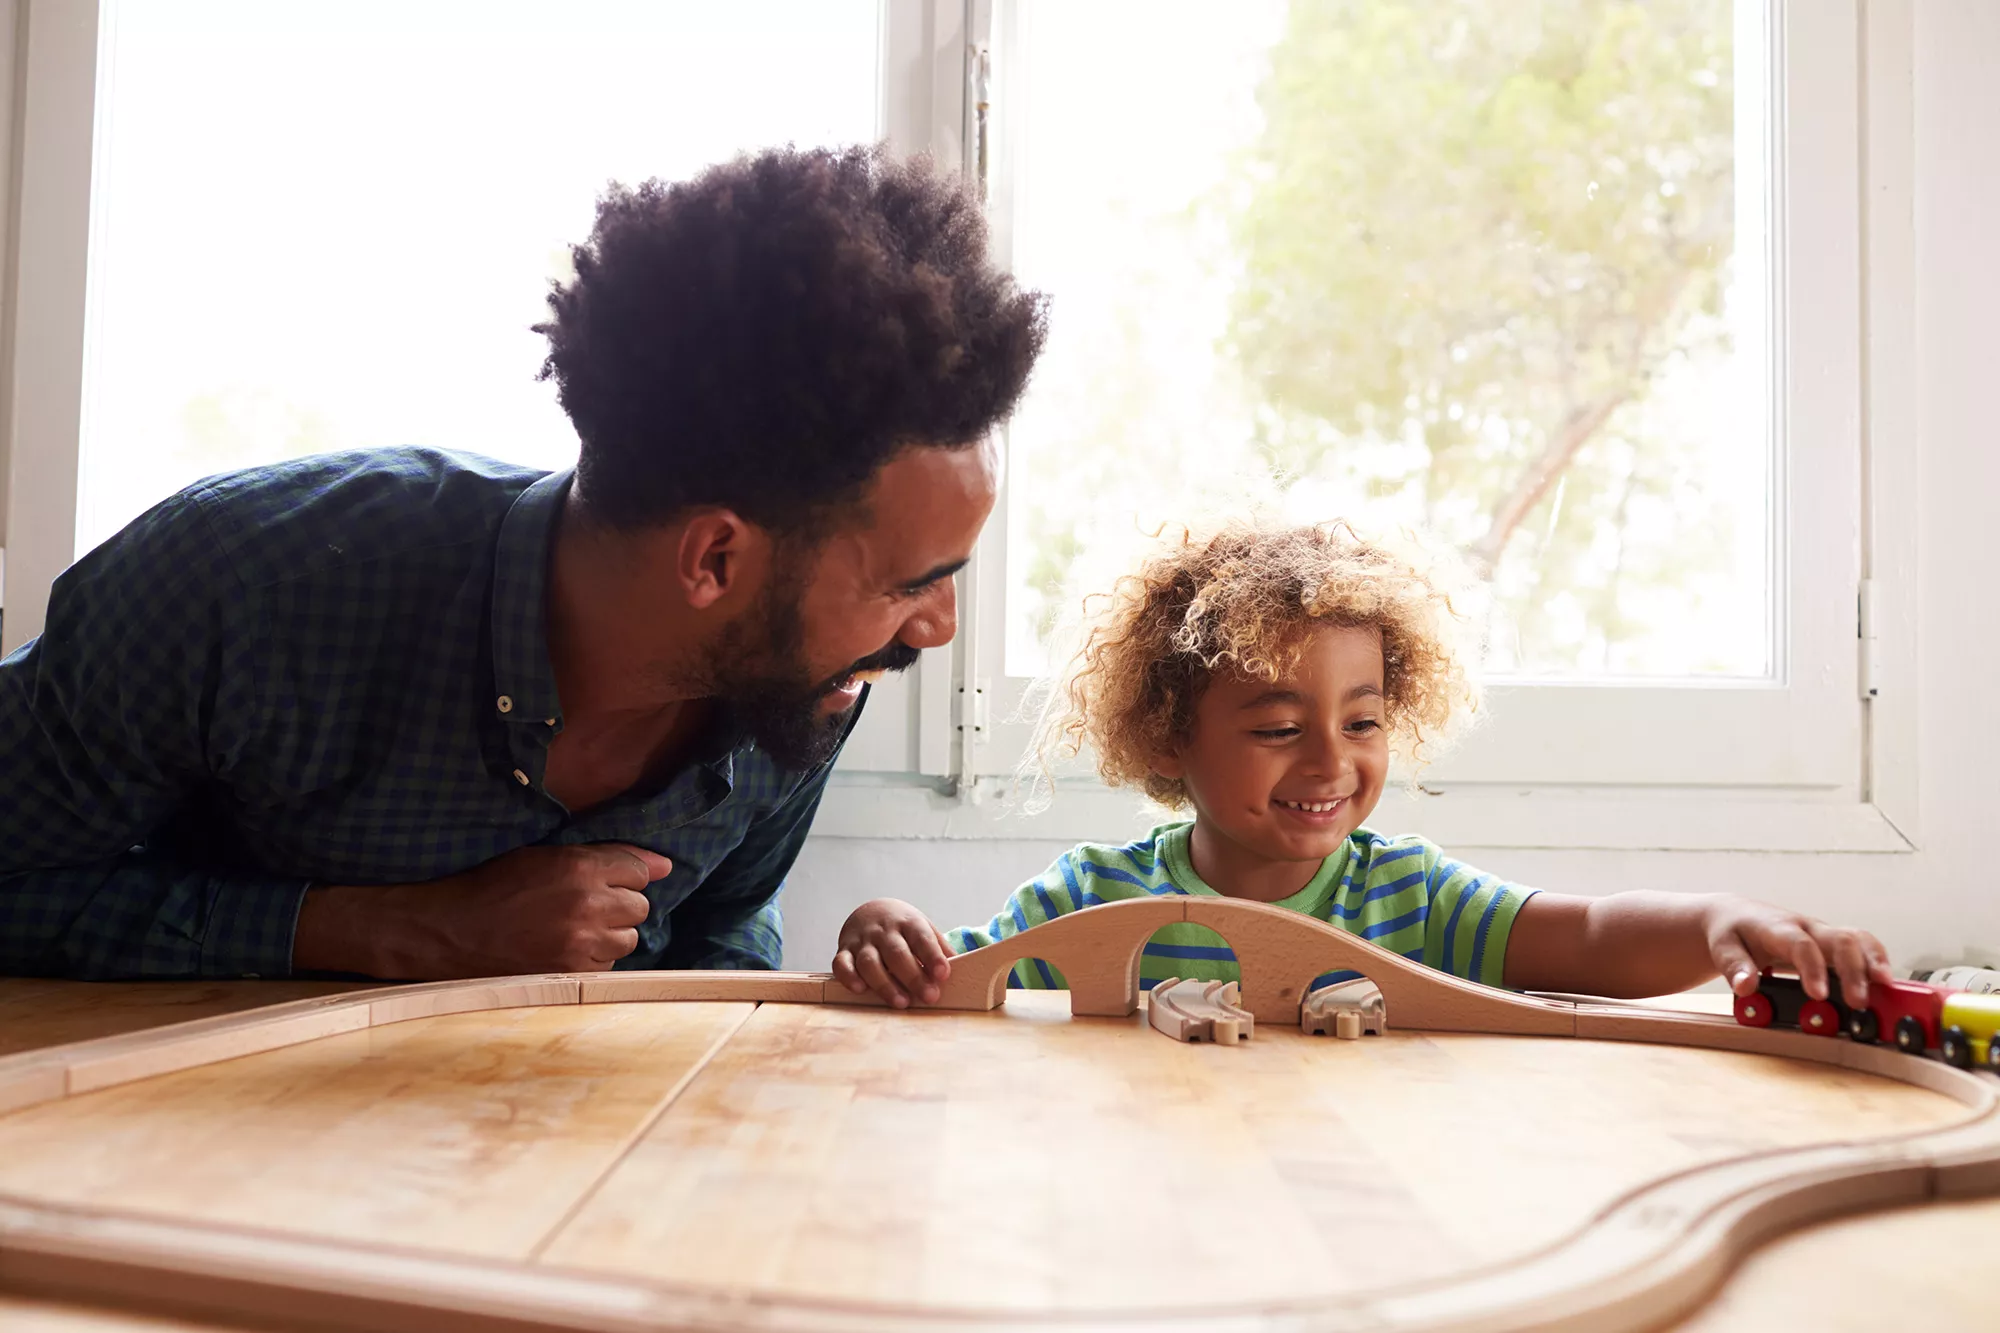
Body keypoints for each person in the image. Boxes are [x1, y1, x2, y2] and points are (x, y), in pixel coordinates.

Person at [0, 145, 1047, 982]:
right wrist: (378, 930)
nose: (934, 627)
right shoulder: (237, 588)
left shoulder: (805, 682)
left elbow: (725, 924)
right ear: (714, 558)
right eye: (910, 582)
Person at [831, 518, 1895, 1010]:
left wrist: (1717, 924)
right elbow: (945, 978)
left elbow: (1589, 936)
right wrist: (882, 926)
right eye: (1276, 726)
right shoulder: (1094, 898)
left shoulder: (1410, 896)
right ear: (1166, 737)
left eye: (1362, 720)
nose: (1329, 762)